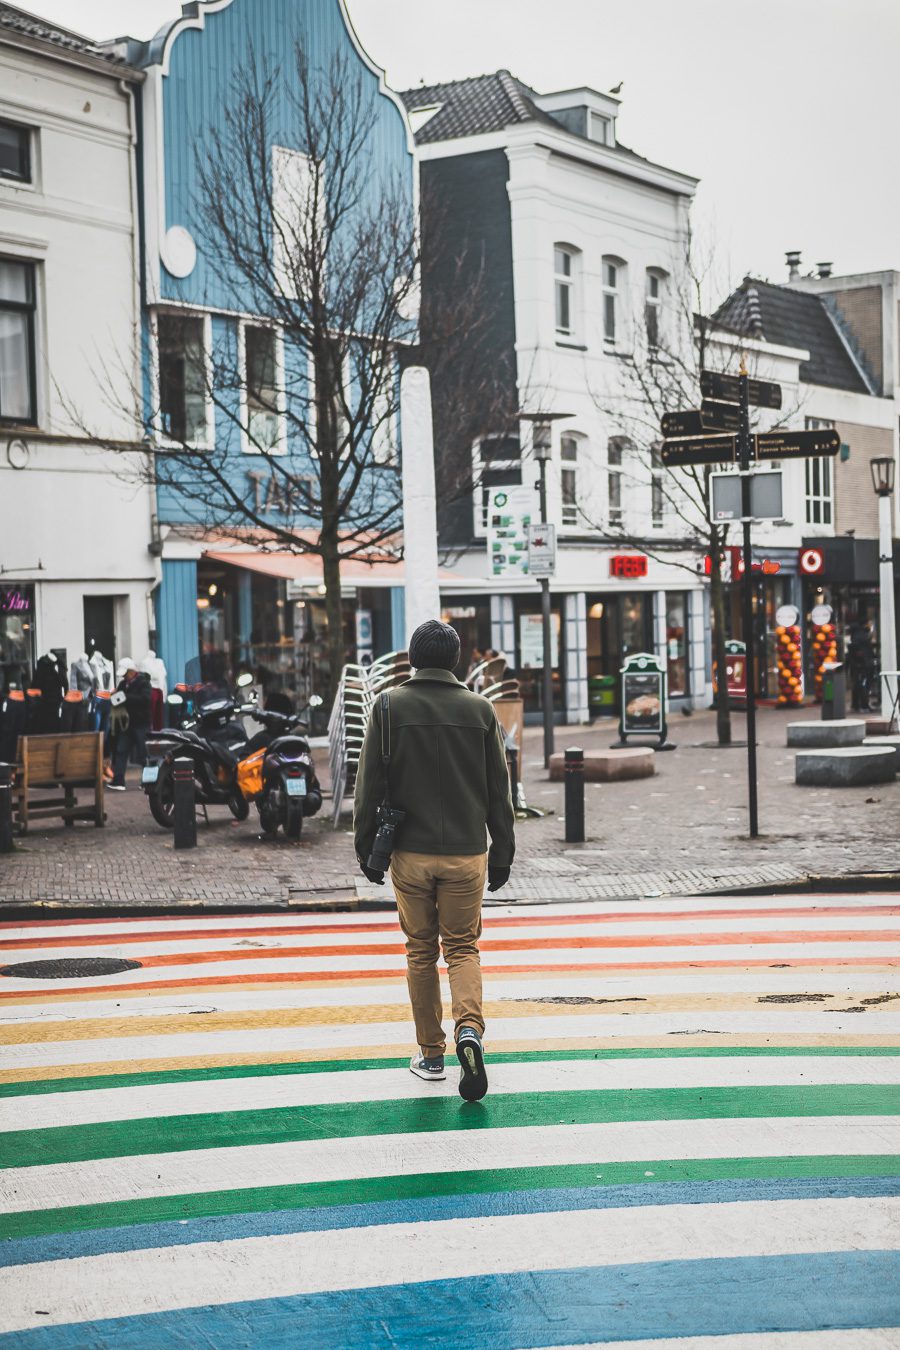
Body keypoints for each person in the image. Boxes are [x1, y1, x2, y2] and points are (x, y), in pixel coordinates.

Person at [354, 619, 515, 1101]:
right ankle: (470, 1030)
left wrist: (367, 848)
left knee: (420, 951)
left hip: (410, 854)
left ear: (411, 658)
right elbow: (498, 792)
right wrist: (502, 852)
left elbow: (367, 788)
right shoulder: (481, 710)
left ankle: (430, 1054)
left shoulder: (388, 706)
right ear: (457, 661)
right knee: (463, 948)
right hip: (467, 854)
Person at [108, 658, 152, 790]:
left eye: (125, 673)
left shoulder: (143, 683)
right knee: (121, 751)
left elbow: (145, 699)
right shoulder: (122, 684)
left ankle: (149, 783)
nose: (123, 676)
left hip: (141, 724)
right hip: (126, 725)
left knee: (144, 754)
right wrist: (116, 697)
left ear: (132, 671)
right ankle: (118, 781)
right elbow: (116, 700)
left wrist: (125, 697)